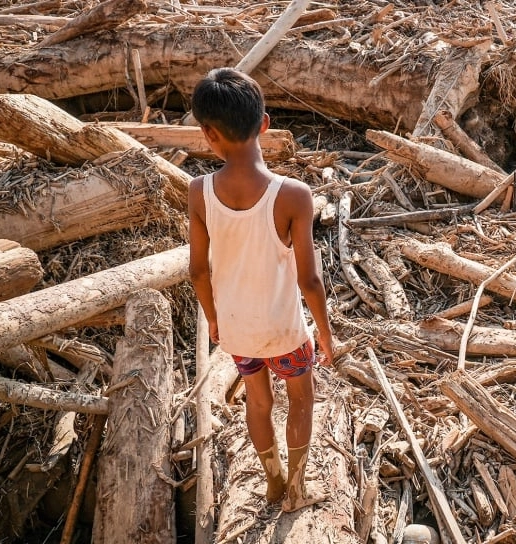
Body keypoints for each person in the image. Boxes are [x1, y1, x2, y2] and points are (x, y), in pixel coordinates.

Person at [187, 67, 335, 513]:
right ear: (265, 124)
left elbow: (197, 271)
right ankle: (295, 488)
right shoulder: (293, 194)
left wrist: (214, 318)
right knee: (301, 397)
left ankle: (270, 481)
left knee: (257, 400)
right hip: (284, 331)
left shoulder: (199, 192)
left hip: (236, 329)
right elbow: (309, 280)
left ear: (208, 135)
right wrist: (325, 333)